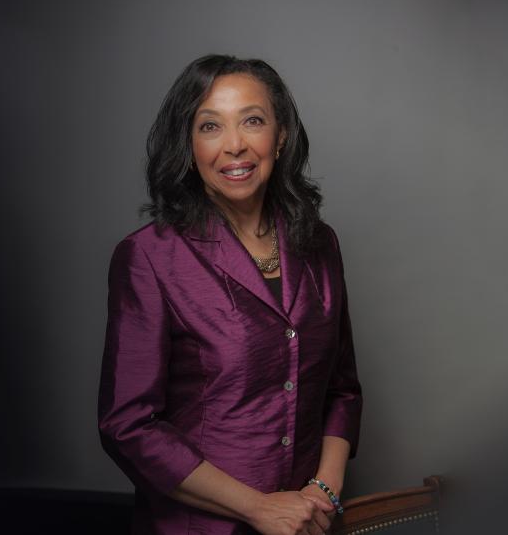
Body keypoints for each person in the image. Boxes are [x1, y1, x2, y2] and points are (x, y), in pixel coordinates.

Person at [98, 54, 362, 535]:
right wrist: (258, 508)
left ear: (280, 137)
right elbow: (128, 425)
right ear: (189, 144)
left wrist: (322, 491)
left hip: (307, 525)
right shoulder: (150, 257)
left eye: (253, 121)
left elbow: (343, 390)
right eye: (210, 126)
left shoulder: (321, 243)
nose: (235, 146)